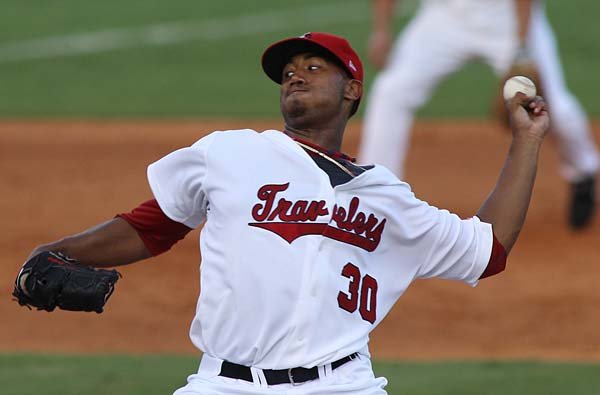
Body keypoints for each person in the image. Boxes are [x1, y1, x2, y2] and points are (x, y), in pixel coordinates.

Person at [24, 32, 548, 394]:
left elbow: (489, 248)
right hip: (225, 382)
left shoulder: (389, 197)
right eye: (288, 73)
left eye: (313, 68)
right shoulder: (231, 153)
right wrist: (57, 252)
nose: (295, 77)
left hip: (344, 383)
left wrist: (526, 140)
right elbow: (151, 227)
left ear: (352, 90)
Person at [360, 0, 598, 229]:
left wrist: (523, 47)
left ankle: (583, 169)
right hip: (443, 18)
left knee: (555, 107)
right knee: (391, 92)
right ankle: (376, 196)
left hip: (507, 21)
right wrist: (381, 31)